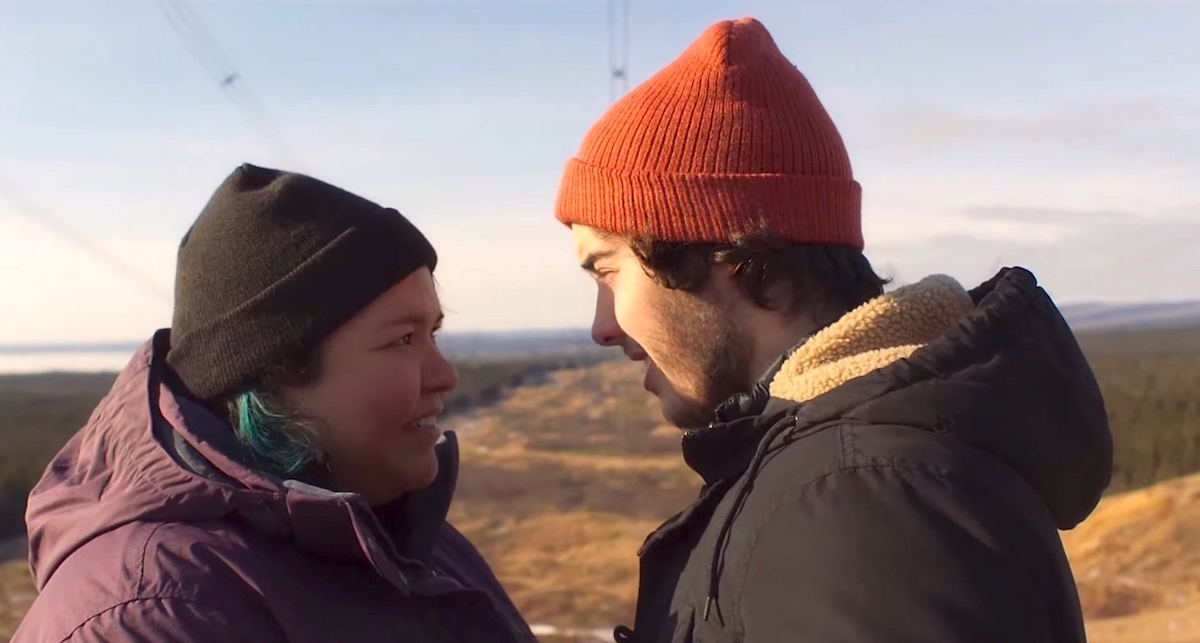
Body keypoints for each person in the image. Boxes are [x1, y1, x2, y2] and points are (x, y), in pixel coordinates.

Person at [554, 17, 1112, 643]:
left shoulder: (855, 500)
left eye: (606, 270)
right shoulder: (856, 470)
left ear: (729, 256)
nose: (602, 327)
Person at [13, 164, 538, 642]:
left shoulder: (401, 533)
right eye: (402, 340)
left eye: (434, 334)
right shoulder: (157, 612)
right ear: (276, 371)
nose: (445, 376)